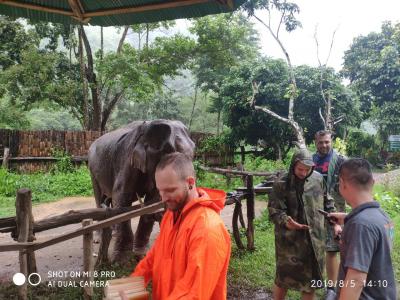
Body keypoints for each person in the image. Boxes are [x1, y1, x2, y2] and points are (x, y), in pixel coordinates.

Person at [130, 152, 231, 300]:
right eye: (160, 190)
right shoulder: (171, 215)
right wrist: (131, 286)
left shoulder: (207, 229)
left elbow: (193, 294)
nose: (163, 198)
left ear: (190, 183)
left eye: (170, 190)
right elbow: (154, 256)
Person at [269, 148, 341, 300]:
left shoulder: (318, 179)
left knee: (312, 280)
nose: (303, 172)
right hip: (289, 241)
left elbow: (328, 202)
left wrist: (335, 223)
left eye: (307, 169)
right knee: (283, 278)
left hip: (315, 239)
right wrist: (287, 222)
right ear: (293, 165)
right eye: (300, 169)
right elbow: (275, 210)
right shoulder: (282, 183)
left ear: (312, 168)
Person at [328, 158, 396, 300]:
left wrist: (353, 226)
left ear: (342, 184)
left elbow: (356, 281)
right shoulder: (383, 217)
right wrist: (347, 223)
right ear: (372, 182)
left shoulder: (361, 225)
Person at [312, 130, 346, 297]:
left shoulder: (341, 160)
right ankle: (315, 281)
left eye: (327, 142)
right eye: (321, 142)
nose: (324, 145)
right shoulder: (310, 160)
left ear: (331, 141)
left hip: (335, 210)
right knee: (315, 247)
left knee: (332, 249)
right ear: (315, 142)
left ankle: (332, 288)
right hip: (313, 210)